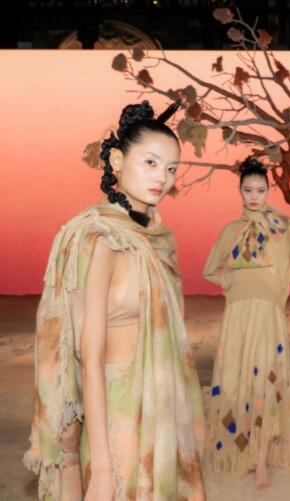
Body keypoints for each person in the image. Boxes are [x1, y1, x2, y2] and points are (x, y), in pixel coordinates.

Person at [24, 101, 206, 500]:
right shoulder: (99, 239)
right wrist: (103, 469)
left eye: (171, 168)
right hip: (116, 413)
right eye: (151, 163)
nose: (162, 178)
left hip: (161, 404)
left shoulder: (158, 241)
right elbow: (88, 359)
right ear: (118, 161)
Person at [203, 158, 290, 489]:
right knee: (236, 383)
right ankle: (241, 451)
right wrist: (233, 284)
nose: (254, 196)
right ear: (240, 190)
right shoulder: (230, 231)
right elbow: (211, 270)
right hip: (238, 314)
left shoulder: (282, 226)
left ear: (268, 190)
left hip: (267, 314)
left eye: (260, 190)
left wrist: (277, 283)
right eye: (248, 190)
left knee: (264, 381)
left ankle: (261, 459)